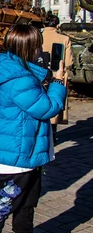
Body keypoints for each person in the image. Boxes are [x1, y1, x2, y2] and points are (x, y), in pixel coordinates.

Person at [0, 24, 67, 233]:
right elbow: (46, 107)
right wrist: (58, 83)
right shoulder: (18, 78)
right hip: (17, 152)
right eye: (36, 45)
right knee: (6, 199)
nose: (40, 50)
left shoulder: (21, 71)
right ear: (27, 48)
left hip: (26, 149)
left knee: (27, 200)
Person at [42, 15, 73, 145]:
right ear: (57, 25)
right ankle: (53, 134)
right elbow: (69, 62)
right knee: (54, 102)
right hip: (57, 74)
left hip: (39, 74)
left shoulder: (37, 37)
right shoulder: (64, 39)